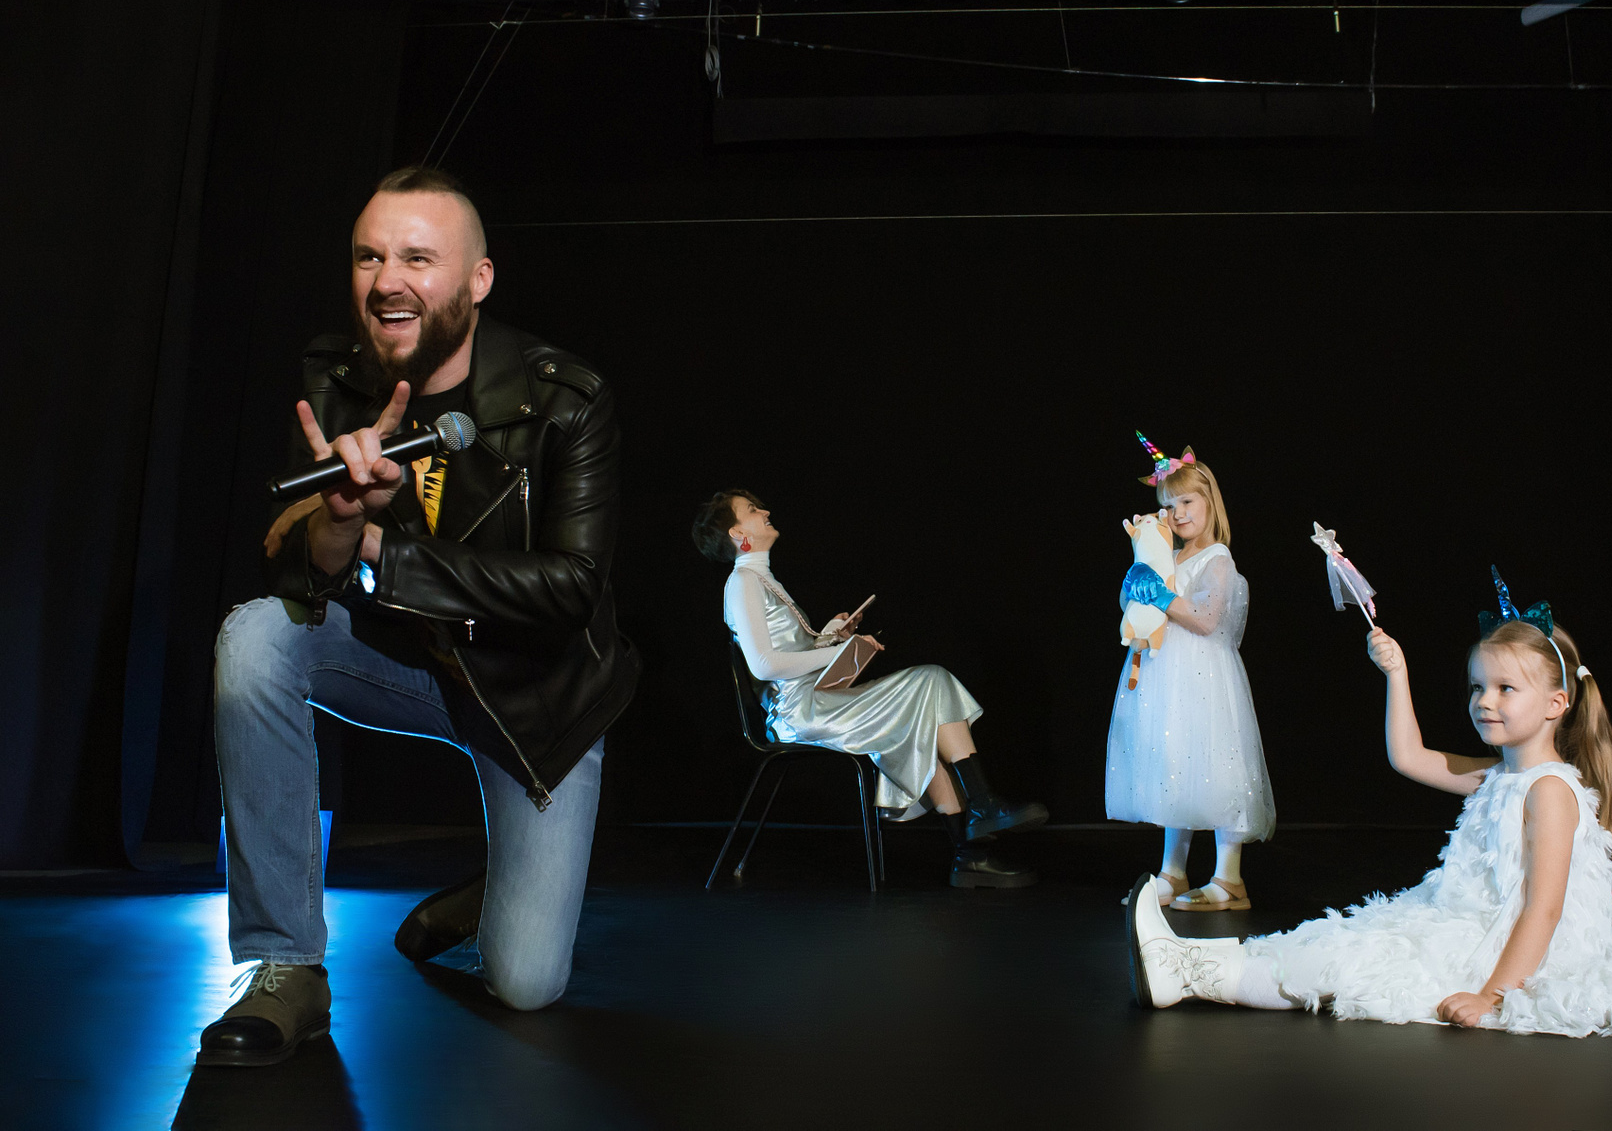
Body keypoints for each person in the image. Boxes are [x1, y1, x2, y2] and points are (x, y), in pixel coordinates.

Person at [197, 167, 640, 1067]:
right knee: (256, 637)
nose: (386, 281)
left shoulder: (565, 399)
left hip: (534, 697)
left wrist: (382, 551)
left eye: (417, 258)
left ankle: (498, 892)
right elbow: (301, 579)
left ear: (478, 280)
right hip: (410, 666)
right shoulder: (334, 378)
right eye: (369, 257)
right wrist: (341, 522)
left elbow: (570, 591)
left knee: (526, 983)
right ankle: (287, 966)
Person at [1126, 570, 1612, 1037]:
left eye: (1505, 688)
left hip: (1505, 952)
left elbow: (1545, 910)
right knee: (1346, 934)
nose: (1484, 701)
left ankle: (1192, 975)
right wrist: (1397, 675)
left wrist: (1491, 995)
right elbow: (1410, 757)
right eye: (1478, 687)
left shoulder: (1550, 791)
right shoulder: (1501, 775)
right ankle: (1186, 961)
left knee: (1355, 962)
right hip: (1461, 920)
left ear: (1557, 704)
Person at [693, 490, 1047, 887]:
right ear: (737, 532)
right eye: (752, 509)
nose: (765, 511)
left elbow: (786, 651)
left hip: (815, 699)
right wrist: (838, 653)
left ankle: (971, 848)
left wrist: (830, 636)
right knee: (929, 681)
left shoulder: (761, 578)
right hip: (799, 713)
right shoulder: (742, 581)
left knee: (926, 699)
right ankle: (979, 814)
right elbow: (763, 665)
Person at [1107, 438, 1275, 910]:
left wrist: (1161, 596)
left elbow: (1206, 618)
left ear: (1208, 502)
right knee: (1175, 767)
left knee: (1217, 766)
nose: (1177, 514)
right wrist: (1135, 583)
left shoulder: (1217, 557)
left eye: (1186, 502)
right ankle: (1173, 872)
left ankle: (1229, 878)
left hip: (1203, 677)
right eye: (1167, 506)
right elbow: (1133, 606)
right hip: (1165, 676)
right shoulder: (1168, 556)